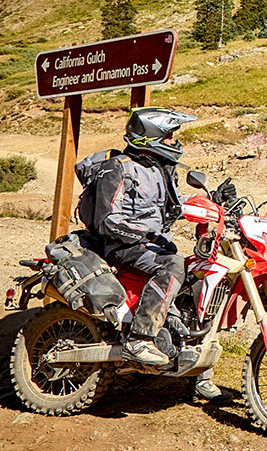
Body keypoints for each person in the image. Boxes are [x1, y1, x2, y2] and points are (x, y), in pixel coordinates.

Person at [79, 107, 219, 398]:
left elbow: (172, 207)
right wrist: (143, 234)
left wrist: (214, 202)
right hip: (123, 247)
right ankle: (139, 339)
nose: (174, 141)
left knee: (201, 279)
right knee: (173, 266)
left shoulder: (160, 168)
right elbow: (107, 219)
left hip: (153, 246)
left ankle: (197, 375)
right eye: (168, 136)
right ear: (150, 137)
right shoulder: (117, 168)